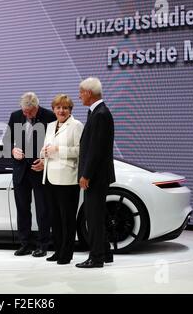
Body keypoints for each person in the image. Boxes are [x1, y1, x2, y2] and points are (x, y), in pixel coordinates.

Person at [3, 92, 56, 257]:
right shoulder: (15, 116)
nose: (26, 114)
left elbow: (57, 144)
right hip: (20, 171)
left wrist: (45, 162)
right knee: (22, 209)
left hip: (39, 169)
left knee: (43, 210)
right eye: (24, 111)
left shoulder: (49, 116)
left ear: (36, 107)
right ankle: (25, 244)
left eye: (30, 112)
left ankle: (43, 245)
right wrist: (12, 150)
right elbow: (6, 142)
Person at [76, 77, 116, 268]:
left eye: (81, 92)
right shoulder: (97, 112)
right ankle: (106, 253)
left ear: (89, 93)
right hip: (97, 176)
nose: (79, 95)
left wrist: (86, 175)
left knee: (94, 218)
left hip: (95, 177)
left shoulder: (100, 114)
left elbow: (96, 150)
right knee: (97, 216)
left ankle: (96, 257)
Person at [41, 94, 83, 265]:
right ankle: (58, 251)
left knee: (67, 219)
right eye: (58, 107)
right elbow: (46, 148)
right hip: (50, 177)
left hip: (68, 178)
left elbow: (80, 151)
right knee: (55, 219)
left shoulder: (77, 125)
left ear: (70, 110)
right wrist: (43, 153)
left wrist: (58, 149)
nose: (61, 110)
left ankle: (67, 253)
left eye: (65, 108)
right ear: (54, 110)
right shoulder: (50, 126)